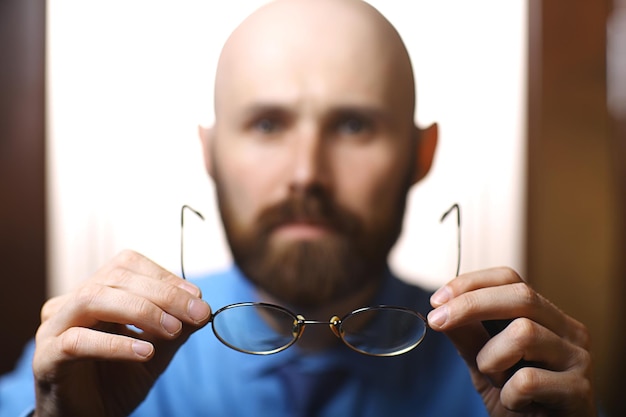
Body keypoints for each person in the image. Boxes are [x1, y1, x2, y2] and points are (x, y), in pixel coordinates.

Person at [0, 0, 597, 416]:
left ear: (422, 153)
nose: (307, 173)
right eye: (266, 124)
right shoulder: (88, 364)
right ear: (209, 152)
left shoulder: (516, 377)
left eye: (354, 125)